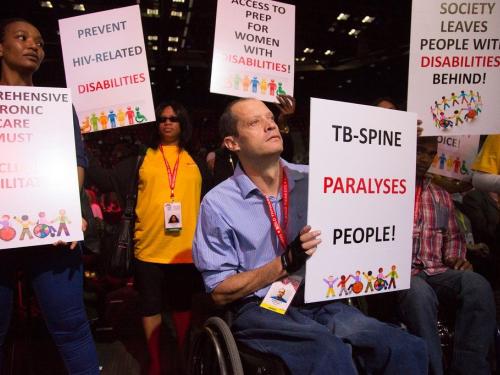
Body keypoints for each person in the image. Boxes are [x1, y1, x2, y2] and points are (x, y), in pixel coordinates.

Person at [193, 98, 427, 374]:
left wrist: (395, 143)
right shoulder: (218, 204)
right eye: (255, 122)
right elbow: (220, 293)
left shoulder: (315, 180)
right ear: (232, 143)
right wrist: (283, 263)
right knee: (328, 353)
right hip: (261, 308)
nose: (270, 125)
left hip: (320, 297)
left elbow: (367, 183)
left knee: (402, 346)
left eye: (270, 118)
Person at [0, 18, 99, 374]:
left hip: (51, 234)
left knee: (72, 329)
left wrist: (66, 211)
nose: (33, 46)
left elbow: (75, 163)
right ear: (1, 47)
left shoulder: (56, 104)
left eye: (40, 42)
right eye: (22, 38)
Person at [87, 101, 212, 375]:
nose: (167, 122)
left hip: (185, 252)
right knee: (150, 307)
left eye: (173, 118)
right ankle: (155, 363)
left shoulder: (198, 162)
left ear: (183, 124)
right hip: (148, 250)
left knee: (182, 306)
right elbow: (104, 179)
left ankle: (182, 357)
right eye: (162, 119)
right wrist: (80, 145)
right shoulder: (140, 160)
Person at [396, 136, 495, 375]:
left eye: (430, 153)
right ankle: (433, 369)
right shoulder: (388, 188)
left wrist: (455, 258)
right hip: (400, 273)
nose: (424, 158)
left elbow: (453, 236)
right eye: (419, 150)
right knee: (419, 294)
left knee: (477, 284)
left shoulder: (441, 195)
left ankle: (469, 368)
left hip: (436, 269)